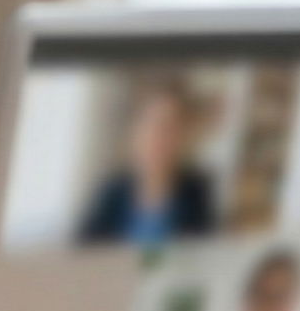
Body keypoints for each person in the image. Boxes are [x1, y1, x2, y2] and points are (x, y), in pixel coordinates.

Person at [77, 79, 216, 245]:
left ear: (183, 137)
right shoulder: (110, 193)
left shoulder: (197, 195)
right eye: (150, 125)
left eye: (170, 128)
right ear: (135, 133)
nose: (158, 138)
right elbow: (82, 257)